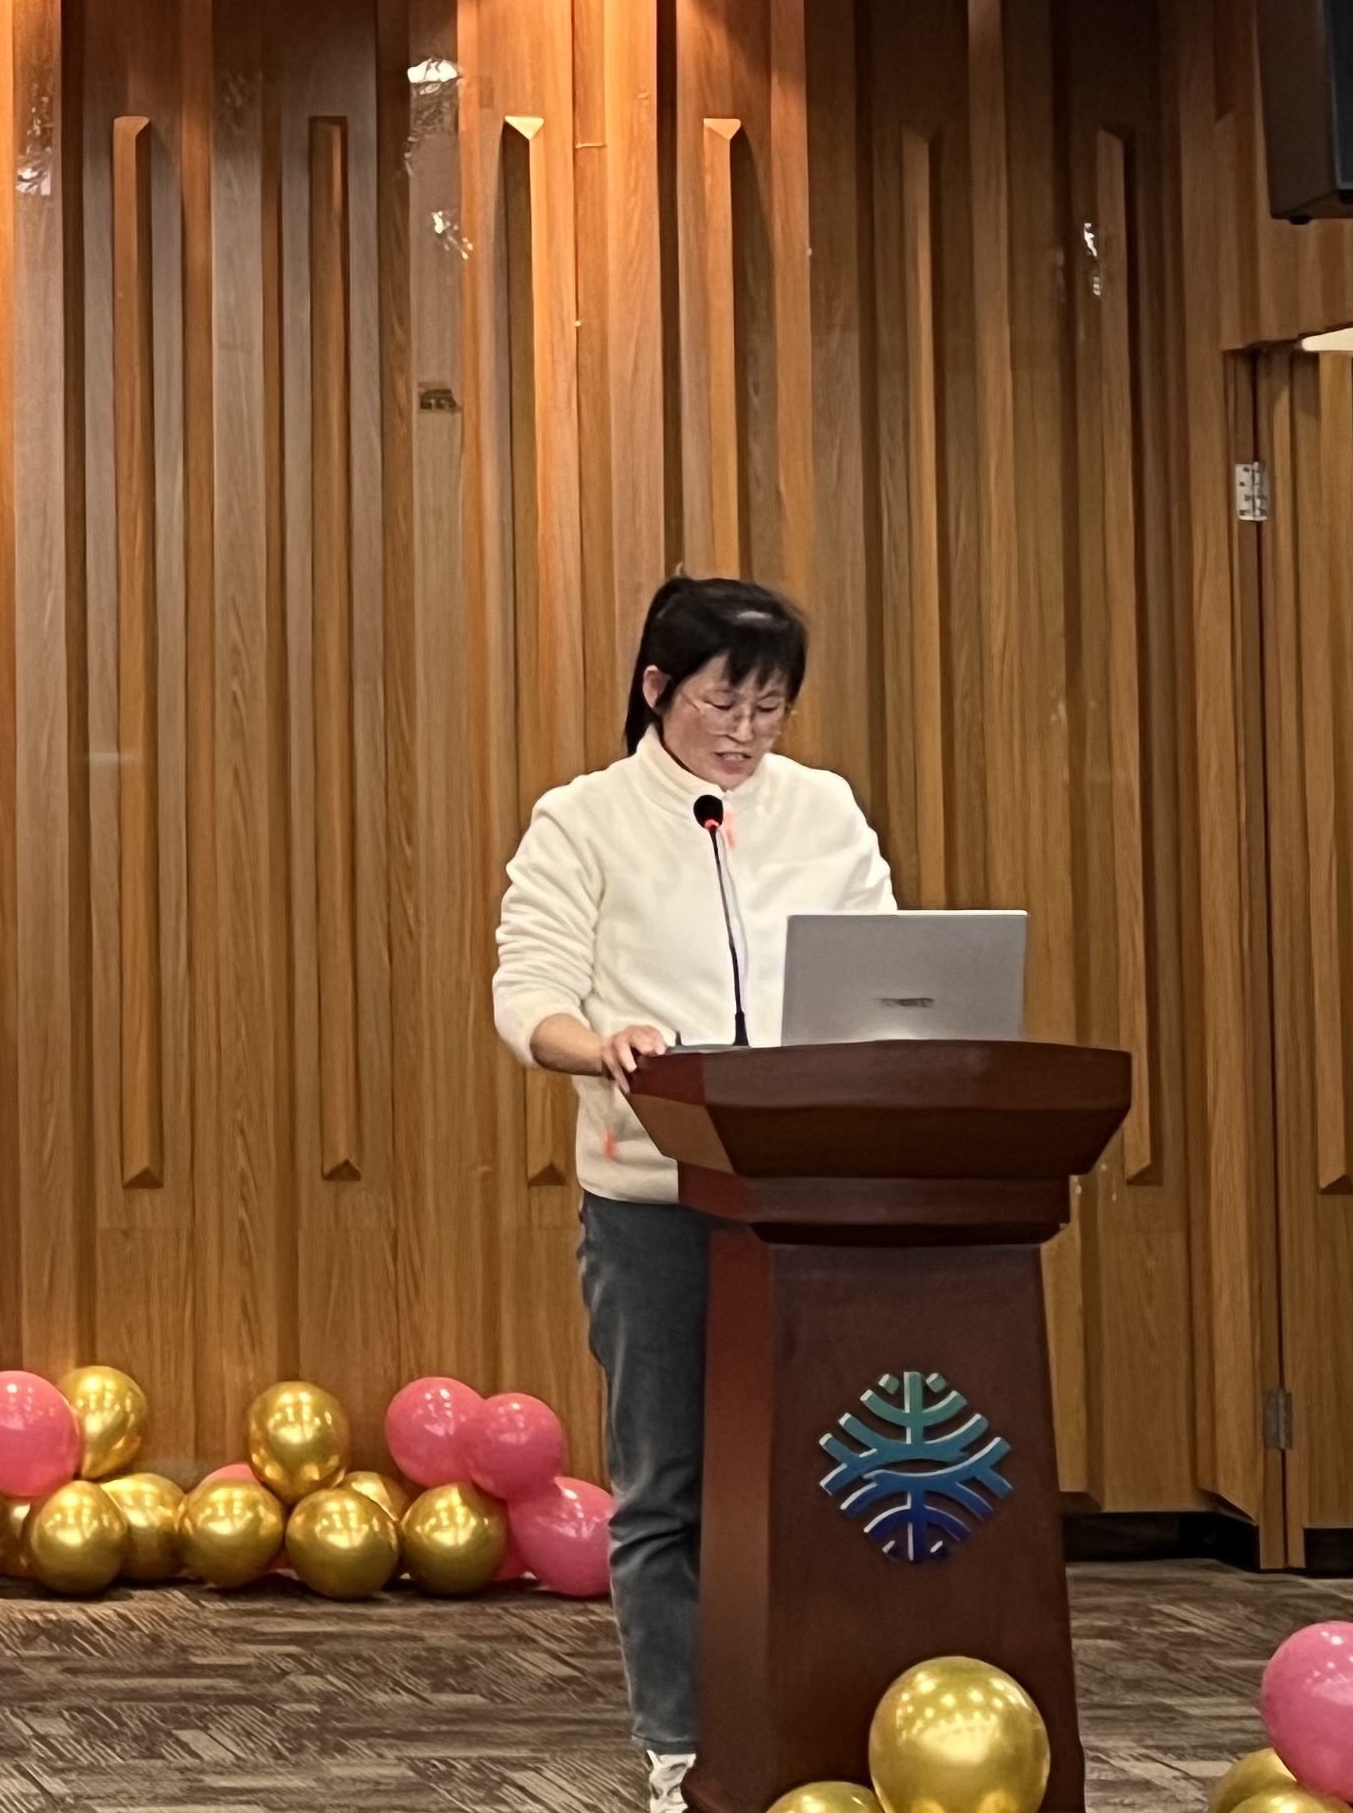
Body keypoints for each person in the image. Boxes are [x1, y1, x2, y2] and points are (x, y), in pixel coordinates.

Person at [490, 575, 895, 1813]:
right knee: (667, 1484)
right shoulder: (584, 819)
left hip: (805, 1198)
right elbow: (527, 996)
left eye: (771, 708)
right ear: (659, 687)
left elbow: (884, 970)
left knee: (821, 1478)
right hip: (653, 1195)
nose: (747, 733)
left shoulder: (822, 810)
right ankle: (681, 1749)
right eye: (725, 702)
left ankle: (812, 1717)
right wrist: (600, 1041)